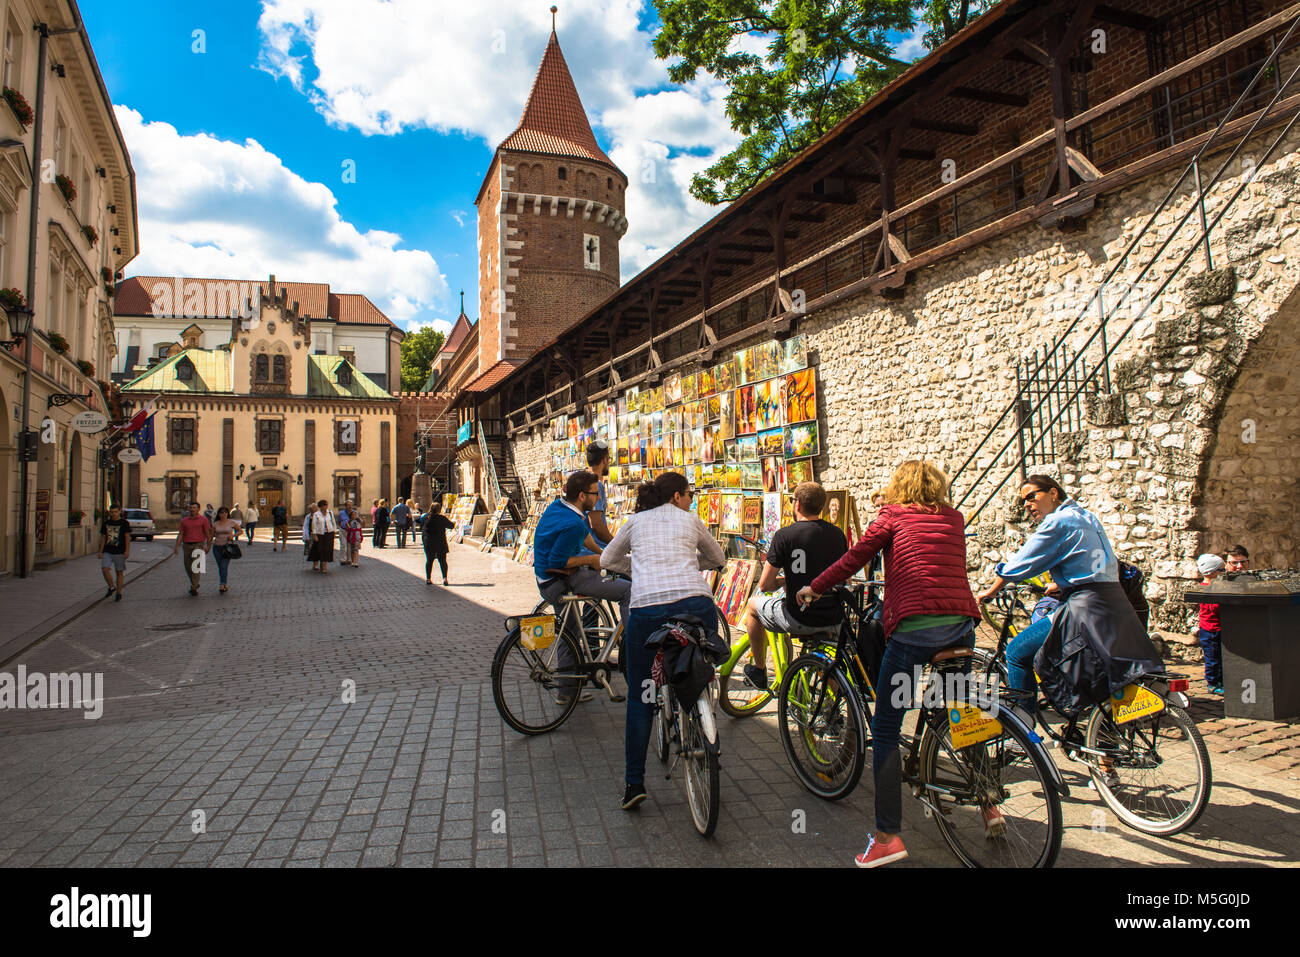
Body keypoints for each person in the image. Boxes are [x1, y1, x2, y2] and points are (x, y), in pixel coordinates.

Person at [798, 461, 983, 868]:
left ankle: (887, 837)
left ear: (898, 487)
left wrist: (814, 586)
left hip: (915, 631)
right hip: (960, 628)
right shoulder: (954, 518)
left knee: (884, 727)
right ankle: (989, 805)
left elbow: (854, 559)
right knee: (963, 714)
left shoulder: (892, 516)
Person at [601, 472, 726, 811]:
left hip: (647, 612)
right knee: (699, 673)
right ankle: (702, 720)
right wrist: (686, 562)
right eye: (689, 495)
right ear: (676, 497)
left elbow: (606, 560)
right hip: (696, 606)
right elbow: (718, 559)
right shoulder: (692, 521)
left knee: (642, 698)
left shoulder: (635, 522)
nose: (691, 500)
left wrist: (639, 568)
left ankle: (634, 784)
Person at [533, 471, 632, 697]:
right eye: (595, 494)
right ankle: (633, 646)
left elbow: (586, 535)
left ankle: (566, 692)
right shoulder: (572, 523)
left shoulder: (561, 507)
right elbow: (558, 561)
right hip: (558, 580)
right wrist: (591, 559)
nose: (598, 498)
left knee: (570, 631)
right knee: (628, 591)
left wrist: (605, 553)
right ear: (581, 495)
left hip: (546, 578)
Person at [743, 481, 848, 689]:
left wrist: (784, 580)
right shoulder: (838, 535)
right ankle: (843, 710)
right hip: (834, 616)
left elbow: (764, 584)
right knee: (829, 666)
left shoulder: (785, 535)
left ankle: (760, 670)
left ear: (797, 504)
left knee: (752, 606)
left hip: (799, 616)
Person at [1196, 553, 1225, 695]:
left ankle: (1220, 680)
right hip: (1210, 629)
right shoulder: (1206, 589)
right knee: (1212, 658)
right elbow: (1212, 608)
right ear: (1212, 572)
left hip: (1217, 627)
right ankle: (1213, 683)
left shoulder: (1215, 586)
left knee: (1220, 656)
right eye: (1221, 570)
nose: (1223, 573)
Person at [174, 501, 212, 597]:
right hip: (186, 545)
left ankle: (194, 586)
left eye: (194, 508)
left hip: (198, 544)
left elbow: (208, 533)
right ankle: (195, 582)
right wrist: (176, 546)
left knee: (196, 566)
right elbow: (181, 534)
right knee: (187, 566)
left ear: (198, 509)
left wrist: (208, 545)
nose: (192, 509)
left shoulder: (203, 520)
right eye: (191, 508)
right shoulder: (184, 521)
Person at [98, 504, 132, 602]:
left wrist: (127, 551)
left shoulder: (124, 523)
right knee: (105, 569)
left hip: (120, 551)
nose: (114, 514)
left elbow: (127, 537)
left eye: (116, 512)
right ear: (109, 512)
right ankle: (112, 587)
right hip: (107, 550)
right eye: (112, 512)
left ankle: (118, 593)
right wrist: (100, 551)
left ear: (119, 512)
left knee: (119, 572)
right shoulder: (106, 523)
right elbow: (103, 537)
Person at [209, 506, 242, 594]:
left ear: (227, 513)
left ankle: (222, 584)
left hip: (227, 547)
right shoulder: (215, 523)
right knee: (220, 566)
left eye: (225, 512)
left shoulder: (231, 522)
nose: (223, 514)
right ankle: (224, 582)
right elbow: (211, 535)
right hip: (217, 547)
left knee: (224, 566)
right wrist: (207, 545)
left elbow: (240, 531)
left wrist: (233, 536)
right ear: (218, 514)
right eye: (221, 512)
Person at [422, 501, 455, 585]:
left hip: (429, 542)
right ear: (439, 509)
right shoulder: (441, 518)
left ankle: (428, 579)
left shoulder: (426, 518)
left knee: (429, 561)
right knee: (443, 561)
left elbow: (422, 528)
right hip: (440, 542)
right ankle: (445, 578)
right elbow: (451, 525)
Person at [310, 499, 337, 573]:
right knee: (320, 549)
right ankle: (319, 563)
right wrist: (314, 534)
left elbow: (333, 522)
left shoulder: (330, 513)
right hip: (320, 534)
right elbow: (314, 525)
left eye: (326, 505)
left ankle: (324, 566)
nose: (326, 507)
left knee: (327, 550)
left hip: (329, 533)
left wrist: (334, 531)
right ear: (321, 506)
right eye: (324, 505)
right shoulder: (316, 514)